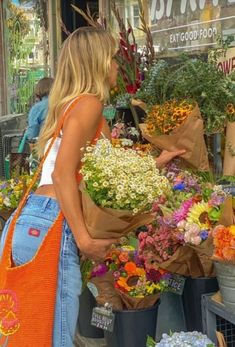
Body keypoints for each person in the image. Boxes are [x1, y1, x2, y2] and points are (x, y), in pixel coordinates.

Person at [0, 27, 184, 346]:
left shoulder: (72, 105)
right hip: (54, 224)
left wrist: (156, 162)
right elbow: (61, 174)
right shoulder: (89, 104)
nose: (117, 66)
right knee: (53, 338)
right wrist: (84, 239)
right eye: (112, 58)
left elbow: (104, 172)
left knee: (26, 335)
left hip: (34, 220)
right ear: (97, 62)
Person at [25, 77, 54, 142]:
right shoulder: (63, 103)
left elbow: (33, 134)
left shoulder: (37, 108)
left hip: (45, 145)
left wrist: (27, 133)